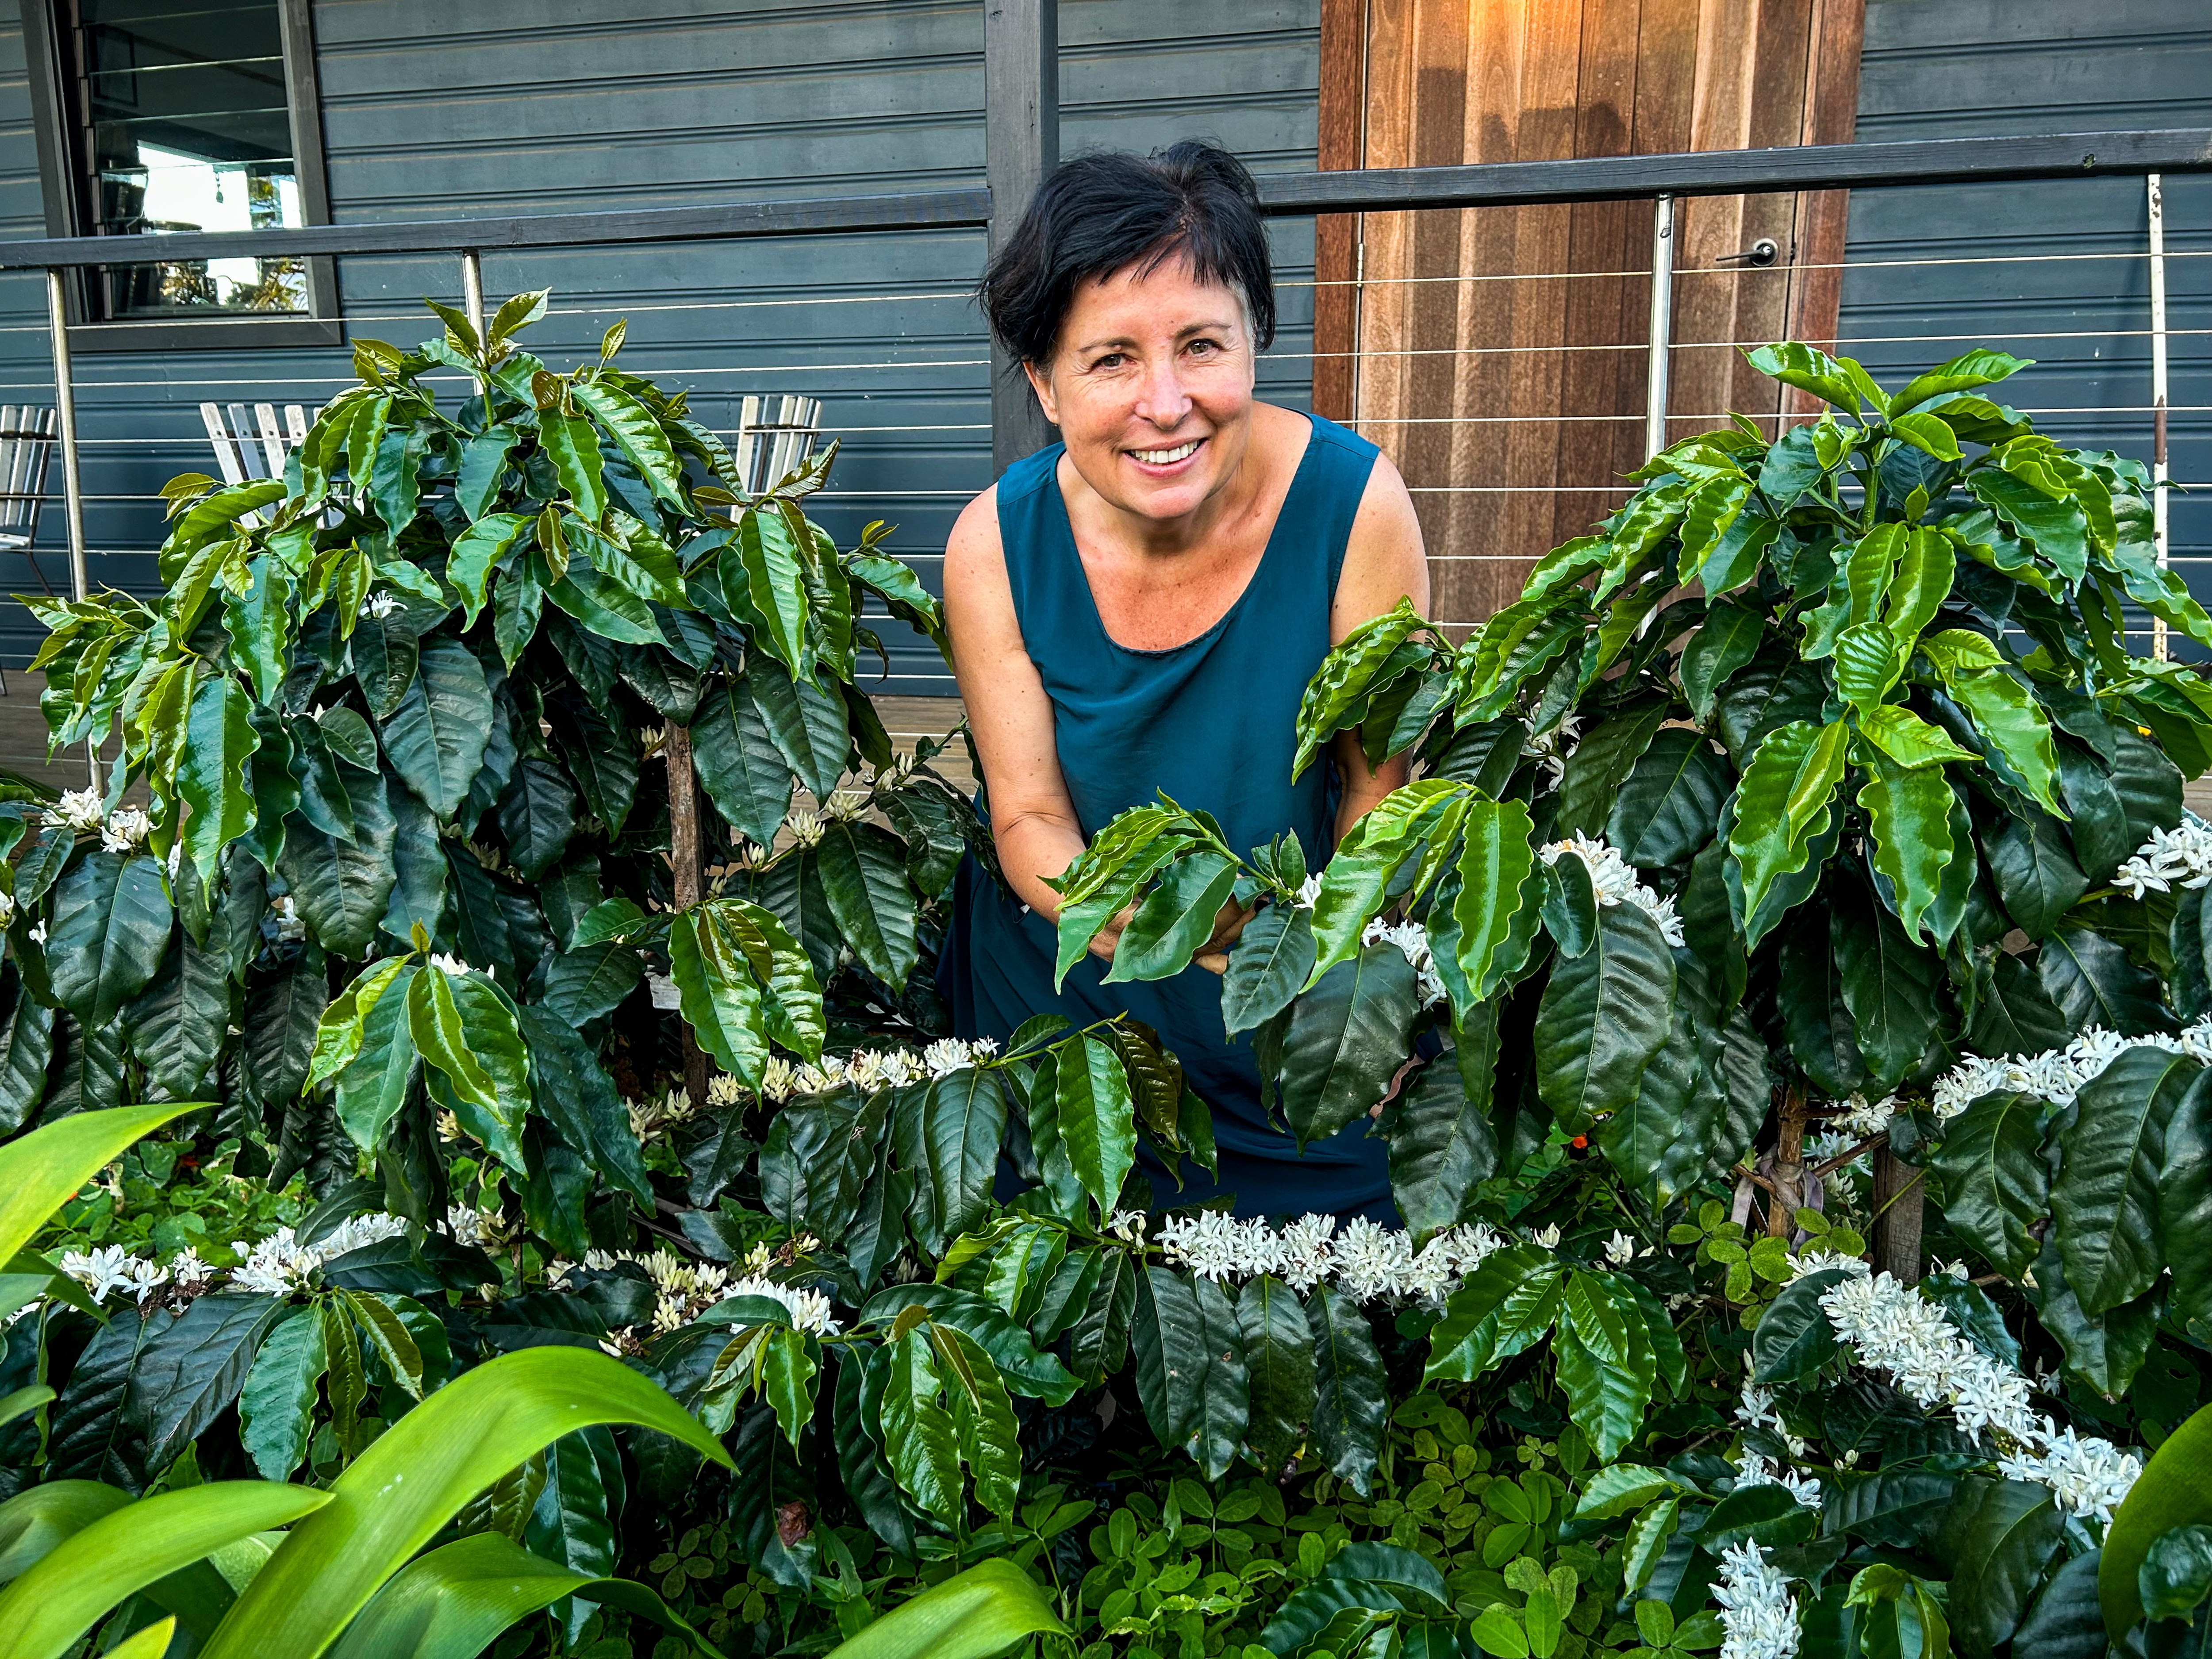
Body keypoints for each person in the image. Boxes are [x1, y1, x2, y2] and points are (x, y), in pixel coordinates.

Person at [937, 141, 1429, 1220]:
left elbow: (1378, 788)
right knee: (1066, 1281)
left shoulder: (1353, 506)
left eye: (1201, 345)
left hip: (1290, 984)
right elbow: (1026, 815)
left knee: (1339, 1273)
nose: (1165, 405)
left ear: (1255, 339)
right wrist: (1169, 927)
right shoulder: (994, 548)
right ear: (1043, 382)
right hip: (1069, 987)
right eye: (1110, 359)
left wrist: (1336, 991)